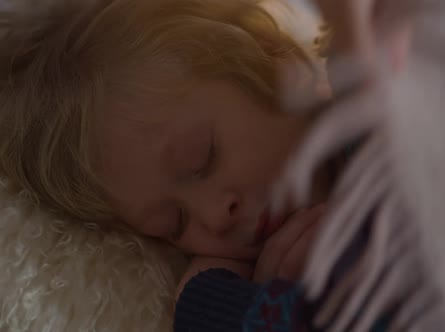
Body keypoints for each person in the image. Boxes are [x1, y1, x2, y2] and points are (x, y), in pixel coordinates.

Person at [0, 0, 341, 328]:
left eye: (201, 159)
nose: (215, 217)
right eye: (174, 224)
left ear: (259, 56)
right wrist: (265, 304)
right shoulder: (219, 294)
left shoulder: (374, 111)